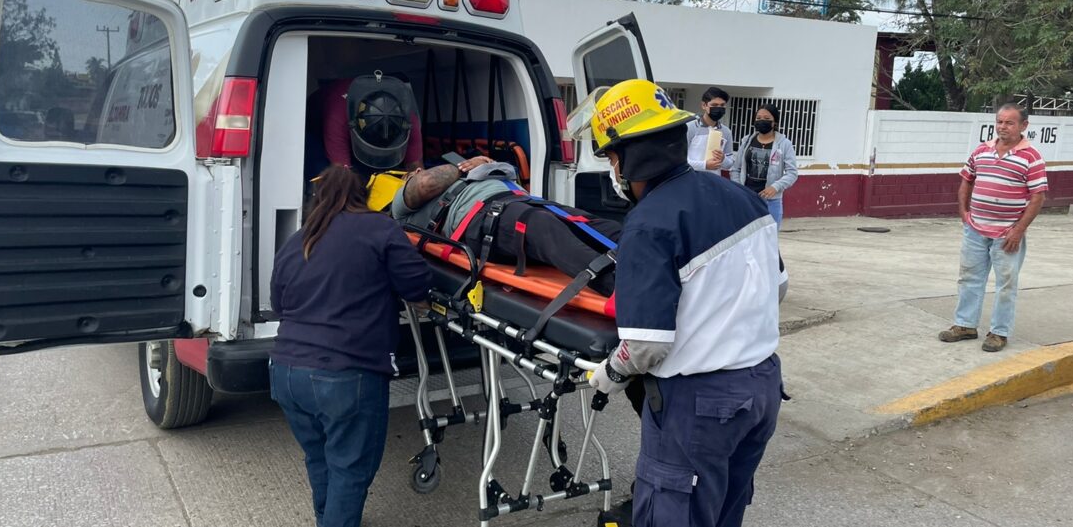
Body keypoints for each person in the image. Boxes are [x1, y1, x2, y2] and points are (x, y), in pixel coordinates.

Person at [587, 79, 785, 527]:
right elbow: (779, 287)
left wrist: (608, 375)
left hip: (701, 406)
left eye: (612, 156)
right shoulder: (744, 200)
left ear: (625, 157)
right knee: (722, 514)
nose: (614, 167)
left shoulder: (648, 223)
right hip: (762, 389)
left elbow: (644, 347)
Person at [269, 166, 432, 527]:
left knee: (320, 456)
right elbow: (417, 284)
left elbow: (280, 306)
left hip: (285, 373)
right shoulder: (380, 228)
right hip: (346, 373)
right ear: (364, 196)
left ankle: (327, 520)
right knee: (350, 469)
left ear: (318, 198)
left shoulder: (298, 240)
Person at [391, 155, 621, 296]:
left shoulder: (468, 179)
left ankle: (650, 267)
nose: (419, 170)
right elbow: (427, 182)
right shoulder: (401, 203)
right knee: (542, 227)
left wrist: (490, 166)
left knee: (604, 228)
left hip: (520, 201)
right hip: (481, 218)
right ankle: (626, 292)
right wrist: (469, 165)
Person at [939, 103, 1047, 352]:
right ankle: (965, 325)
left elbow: (1038, 197)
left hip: (1007, 234)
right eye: (1000, 122)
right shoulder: (981, 151)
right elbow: (967, 180)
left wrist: (1018, 230)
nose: (1003, 127)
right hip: (975, 230)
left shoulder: (1031, 157)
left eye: (1009, 123)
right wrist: (964, 212)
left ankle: (999, 332)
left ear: (1023, 126)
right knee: (969, 278)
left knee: (1006, 284)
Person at [731, 103, 798, 226]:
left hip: (771, 202)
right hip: (747, 199)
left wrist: (775, 187)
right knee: (747, 240)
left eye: (767, 119)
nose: (762, 121)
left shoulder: (784, 144)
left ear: (775, 122)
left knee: (770, 240)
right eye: (759, 118)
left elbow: (792, 173)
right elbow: (736, 169)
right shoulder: (746, 141)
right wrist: (740, 189)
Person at [685, 87, 735, 175]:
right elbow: (680, 160)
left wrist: (723, 159)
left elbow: (729, 164)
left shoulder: (726, 131)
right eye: (714, 105)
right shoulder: (689, 128)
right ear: (704, 105)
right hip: (692, 180)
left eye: (722, 105)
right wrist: (704, 165)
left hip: (714, 181)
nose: (719, 108)